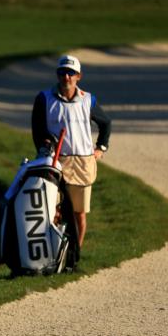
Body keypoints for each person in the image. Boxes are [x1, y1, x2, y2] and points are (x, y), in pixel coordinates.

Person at [32, 55, 111, 251]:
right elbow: (38, 130)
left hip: (83, 163)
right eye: (62, 72)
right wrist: (44, 149)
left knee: (79, 214)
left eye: (70, 73)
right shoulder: (44, 98)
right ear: (57, 75)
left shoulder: (87, 100)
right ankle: (54, 253)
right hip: (56, 162)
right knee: (53, 212)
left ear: (78, 76)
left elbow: (106, 123)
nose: (66, 77)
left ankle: (75, 254)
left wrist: (100, 148)